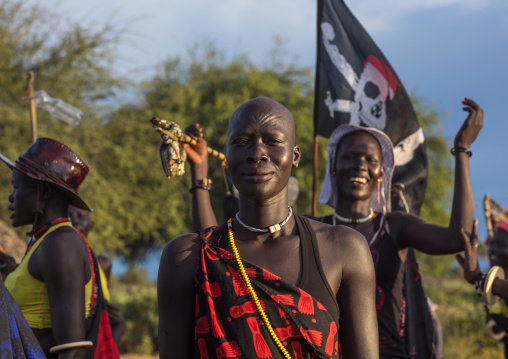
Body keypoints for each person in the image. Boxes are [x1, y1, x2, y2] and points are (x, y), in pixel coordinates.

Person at [184, 97, 483, 358]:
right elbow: (222, 260)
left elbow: (456, 237)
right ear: (333, 166)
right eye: (350, 157)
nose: (360, 165)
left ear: (382, 172)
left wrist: (462, 150)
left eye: (370, 159)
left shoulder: (390, 228)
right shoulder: (318, 236)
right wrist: (200, 179)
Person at [158, 96, 379, 358]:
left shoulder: (343, 249)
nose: (256, 154)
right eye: (241, 142)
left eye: (273, 141)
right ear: (227, 158)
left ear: (295, 155)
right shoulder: (185, 257)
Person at [0, 138, 103, 358]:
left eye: (16, 187)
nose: (10, 198)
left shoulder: (60, 243)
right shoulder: (43, 241)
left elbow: (72, 348)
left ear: (44, 191)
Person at [68, 205, 127, 344]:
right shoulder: (58, 261)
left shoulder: (103, 264)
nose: (75, 221)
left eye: (80, 216)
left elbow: (103, 306)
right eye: (69, 216)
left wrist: (113, 314)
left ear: (91, 226)